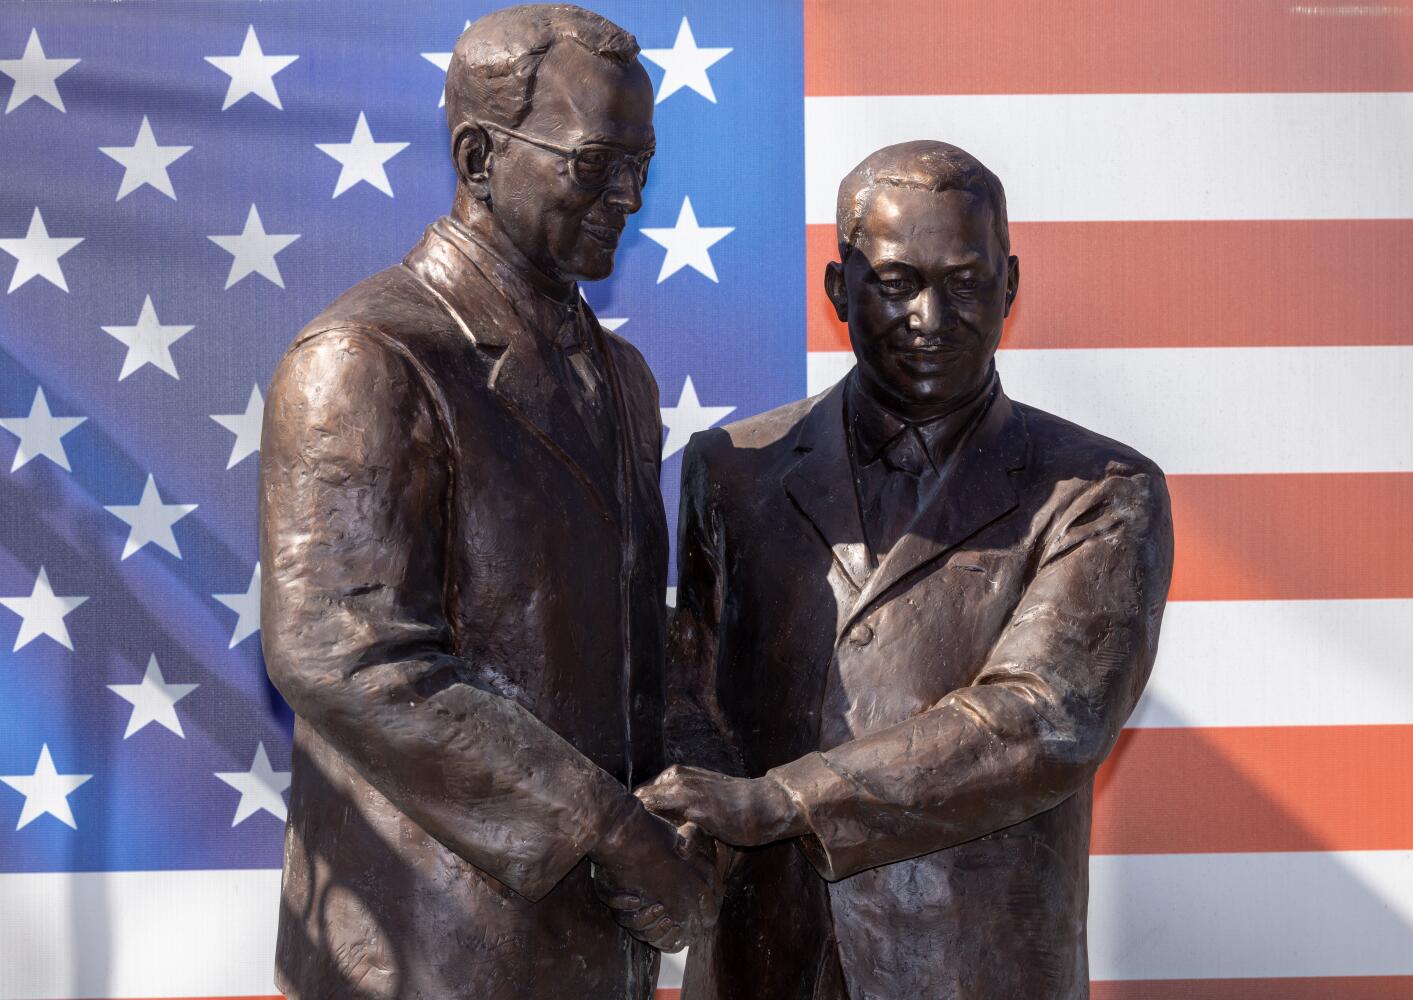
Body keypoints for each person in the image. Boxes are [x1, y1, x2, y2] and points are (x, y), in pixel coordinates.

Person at [640, 140, 1174, 999]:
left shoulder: (1101, 491)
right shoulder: (731, 469)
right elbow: (691, 686)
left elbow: (1044, 719)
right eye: (896, 282)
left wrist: (783, 801)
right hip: (759, 959)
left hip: (972, 967)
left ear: (1010, 285)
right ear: (838, 291)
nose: (932, 315)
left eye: (965, 282)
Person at [259, 7, 718, 998]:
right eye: (596, 165)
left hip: (596, 957)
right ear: (478, 157)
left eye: (642, 165)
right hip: (427, 948)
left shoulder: (623, 379)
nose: (629, 198)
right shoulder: (369, 359)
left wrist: (691, 802)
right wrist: (612, 832)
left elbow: (633, 642)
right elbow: (345, 656)